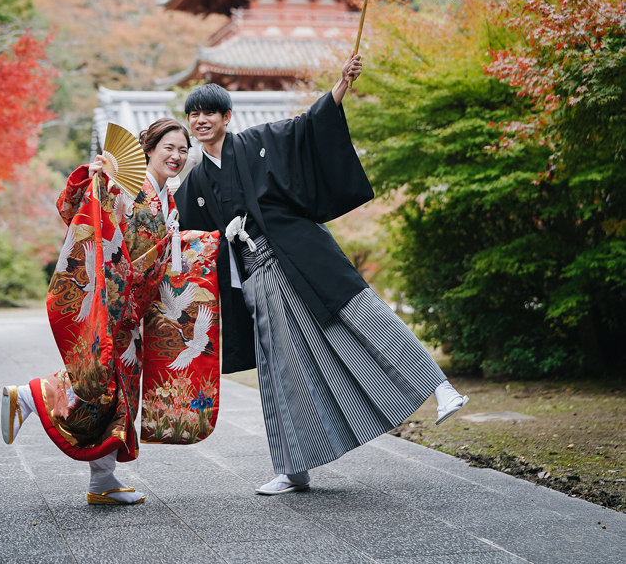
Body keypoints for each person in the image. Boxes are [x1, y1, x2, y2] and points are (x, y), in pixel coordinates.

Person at [175, 53, 468, 496]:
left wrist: (340, 87)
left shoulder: (258, 140)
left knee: (362, 314)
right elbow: (183, 235)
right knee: (280, 369)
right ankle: (293, 467)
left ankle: (442, 388)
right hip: (258, 279)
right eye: (192, 114)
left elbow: (306, 128)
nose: (199, 121)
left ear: (226, 117)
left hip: (301, 252)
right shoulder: (195, 181)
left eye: (208, 113)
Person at [1, 119, 220, 505]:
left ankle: (102, 480)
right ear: (147, 150)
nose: (177, 156)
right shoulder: (125, 185)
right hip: (116, 302)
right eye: (168, 147)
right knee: (102, 383)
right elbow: (74, 210)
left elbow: (165, 251)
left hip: (136, 309)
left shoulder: (165, 196)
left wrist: (210, 240)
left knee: (118, 393)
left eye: (183, 150)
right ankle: (34, 396)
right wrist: (92, 178)